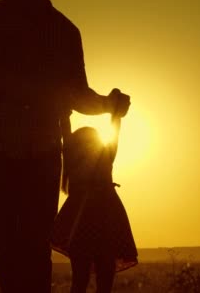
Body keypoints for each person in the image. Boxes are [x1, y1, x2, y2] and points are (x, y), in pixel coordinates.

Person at [0, 0, 131, 291]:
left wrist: (107, 103)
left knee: (35, 247)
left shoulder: (66, 32)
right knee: (0, 241)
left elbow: (77, 94)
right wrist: (46, 93)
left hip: (41, 153)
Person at [51, 109, 138, 293]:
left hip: (87, 223)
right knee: (100, 281)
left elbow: (65, 128)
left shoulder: (74, 158)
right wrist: (115, 113)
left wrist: (64, 110)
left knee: (81, 280)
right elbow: (114, 130)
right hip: (105, 221)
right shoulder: (103, 157)